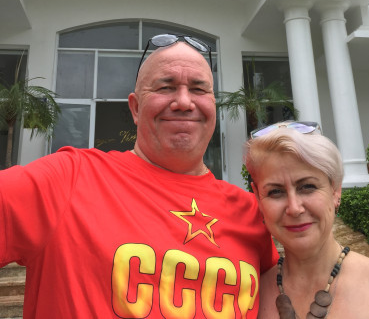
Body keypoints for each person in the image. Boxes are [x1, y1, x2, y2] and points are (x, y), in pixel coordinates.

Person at [0, 34, 278, 318]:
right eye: (165, 87)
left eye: (198, 89)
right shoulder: (68, 179)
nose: (184, 102)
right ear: (135, 108)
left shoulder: (252, 213)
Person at [244, 121, 369, 319]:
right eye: (275, 192)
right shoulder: (245, 297)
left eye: (307, 186)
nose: (294, 208)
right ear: (258, 198)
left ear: (335, 190)